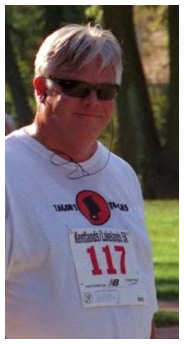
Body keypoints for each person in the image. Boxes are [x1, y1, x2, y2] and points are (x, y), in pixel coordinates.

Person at [5, 23, 158, 339]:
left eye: (105, 91)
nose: (92, 102)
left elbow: (138, 293)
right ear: (41, 88)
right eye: (75, 88)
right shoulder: (8, 170)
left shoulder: (122, 175)